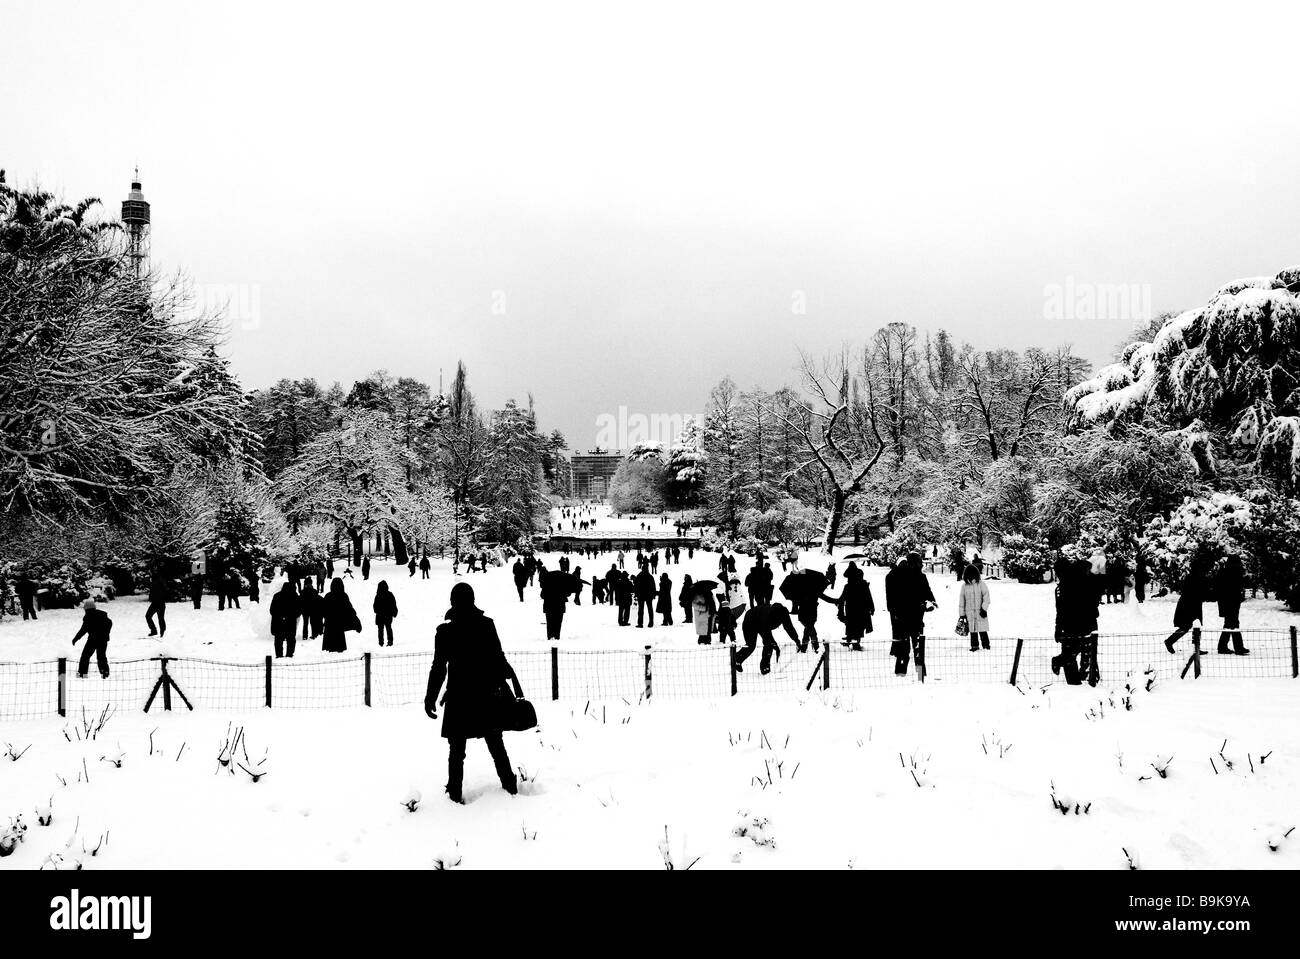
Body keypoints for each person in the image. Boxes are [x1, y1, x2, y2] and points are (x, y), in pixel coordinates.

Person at [424, 582, 523, 804]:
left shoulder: (445, 632)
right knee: (496, 744)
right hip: (486, 695)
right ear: (473, 600)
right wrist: (506, 677)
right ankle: (509, 786)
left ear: (452, 602)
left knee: (456, 751)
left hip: (459, 697)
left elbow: (439, 667)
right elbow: (498, 658)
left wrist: (430, 697)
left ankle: (455, 795)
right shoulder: (487, 625)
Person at [1053, 558, 1103, 685]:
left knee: (1082, 652)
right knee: (1078, 652)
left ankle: (1083, 678)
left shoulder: (1080, 583)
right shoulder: (1065, 586)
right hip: (1075, 624)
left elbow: (1062, 609)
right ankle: (1080, 680)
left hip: (1080, 623)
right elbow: (1061, 609)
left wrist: (1058, 628)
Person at [735, 602, 798, 674]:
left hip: (761, 622)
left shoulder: (784, 613)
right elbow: (766, 633)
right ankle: (737, 659)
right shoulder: (767, 615)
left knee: (769, 644)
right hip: (750, 622)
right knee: (751, 645)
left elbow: (789, 627)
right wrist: (774, 644)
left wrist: (797, 640)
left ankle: (765, 667)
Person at [1164, 560, 1208, 654]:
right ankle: (1170, 642)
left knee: (1193, 627)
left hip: (1190, 604)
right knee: (1189, 626)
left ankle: (1194, 647)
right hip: (1189, 605)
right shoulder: (1195, 577)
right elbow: (1196, 592)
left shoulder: (1193, 576)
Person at [1215, 554, 1249, 655]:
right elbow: (1238, 587)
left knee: (1230, 623)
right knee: (1233, 623)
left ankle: (1224, 646)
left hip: (1225, 602)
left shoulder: (1224, 572)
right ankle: (1236, 647)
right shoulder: (1235, 572)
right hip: (1232, 601)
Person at [836, 562, 874, 651]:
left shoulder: (848, 586)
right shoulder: (863, 584)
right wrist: (871, 608)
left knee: (851, 625)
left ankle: (852, 641)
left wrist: (839, 607)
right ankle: (856, 642)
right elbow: (869, 596)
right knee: (859, 626)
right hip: (862, 609)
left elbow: (842, 598)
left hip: (851, 608)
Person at [71, 598, 112, 678]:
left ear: (87, 609)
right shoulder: (103, 615)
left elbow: (83, 630)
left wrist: (76, 638)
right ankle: (105, 673)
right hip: (103, 640)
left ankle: (82, 673)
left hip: (92, 640)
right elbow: (110, 623)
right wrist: (106, 634)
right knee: (101, 656)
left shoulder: (88, 617)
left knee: (85, 656)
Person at [321, 577, 361, 653]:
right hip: (339, 624)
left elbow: (323, 610)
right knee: (339, 646)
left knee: (330, 647)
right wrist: (356, 620)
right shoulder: (343, 596)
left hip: (329, 624)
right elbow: (349, 609)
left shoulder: (328, 596)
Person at [958, 565, 991, 651]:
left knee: (982, 629)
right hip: (970, 613)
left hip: (981, 612)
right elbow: (962, 601)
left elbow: (986, 597)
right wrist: (962, 614)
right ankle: (974, 646)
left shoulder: (982, 584)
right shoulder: (964, 586)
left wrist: (984, 609)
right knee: (972, 630)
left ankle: (986, 646)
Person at [541, 569, 576, 641]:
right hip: (560, 606)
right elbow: (568, 594)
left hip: (548, 606)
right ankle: (557, 636)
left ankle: (550, 637)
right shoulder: (562, 585)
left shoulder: (547, 585)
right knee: (558, 622)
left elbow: (542, 595)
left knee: (549, 622)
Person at [269, 581, 300, 658]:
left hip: (278, 622)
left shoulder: (277, 596)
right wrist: (291, 616)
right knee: (291, 639)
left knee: (278, 640)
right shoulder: (295, 596)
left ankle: (279, 655)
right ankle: (289, 654)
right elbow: (299, 610)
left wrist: (280, 616)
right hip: (291, 622)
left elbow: (272, 610)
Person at [373, 580, 398, 647]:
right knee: (388, 628)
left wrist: (377, 611)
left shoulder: (378, 595)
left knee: (380, 630)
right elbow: (393, 604)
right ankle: (390, 642)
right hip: (388, 615)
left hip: (380, 616)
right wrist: (394, 612)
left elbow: (375, 606)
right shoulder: (390, 594)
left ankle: (381, 643)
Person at [145, 573, 168, 638]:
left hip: (156, 603)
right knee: (160, 618)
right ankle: (162, 630)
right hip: (160, 603)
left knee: (148, 616)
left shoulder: (155, 584)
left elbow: (148, 585)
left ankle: (154, 630)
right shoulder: (161, 583)